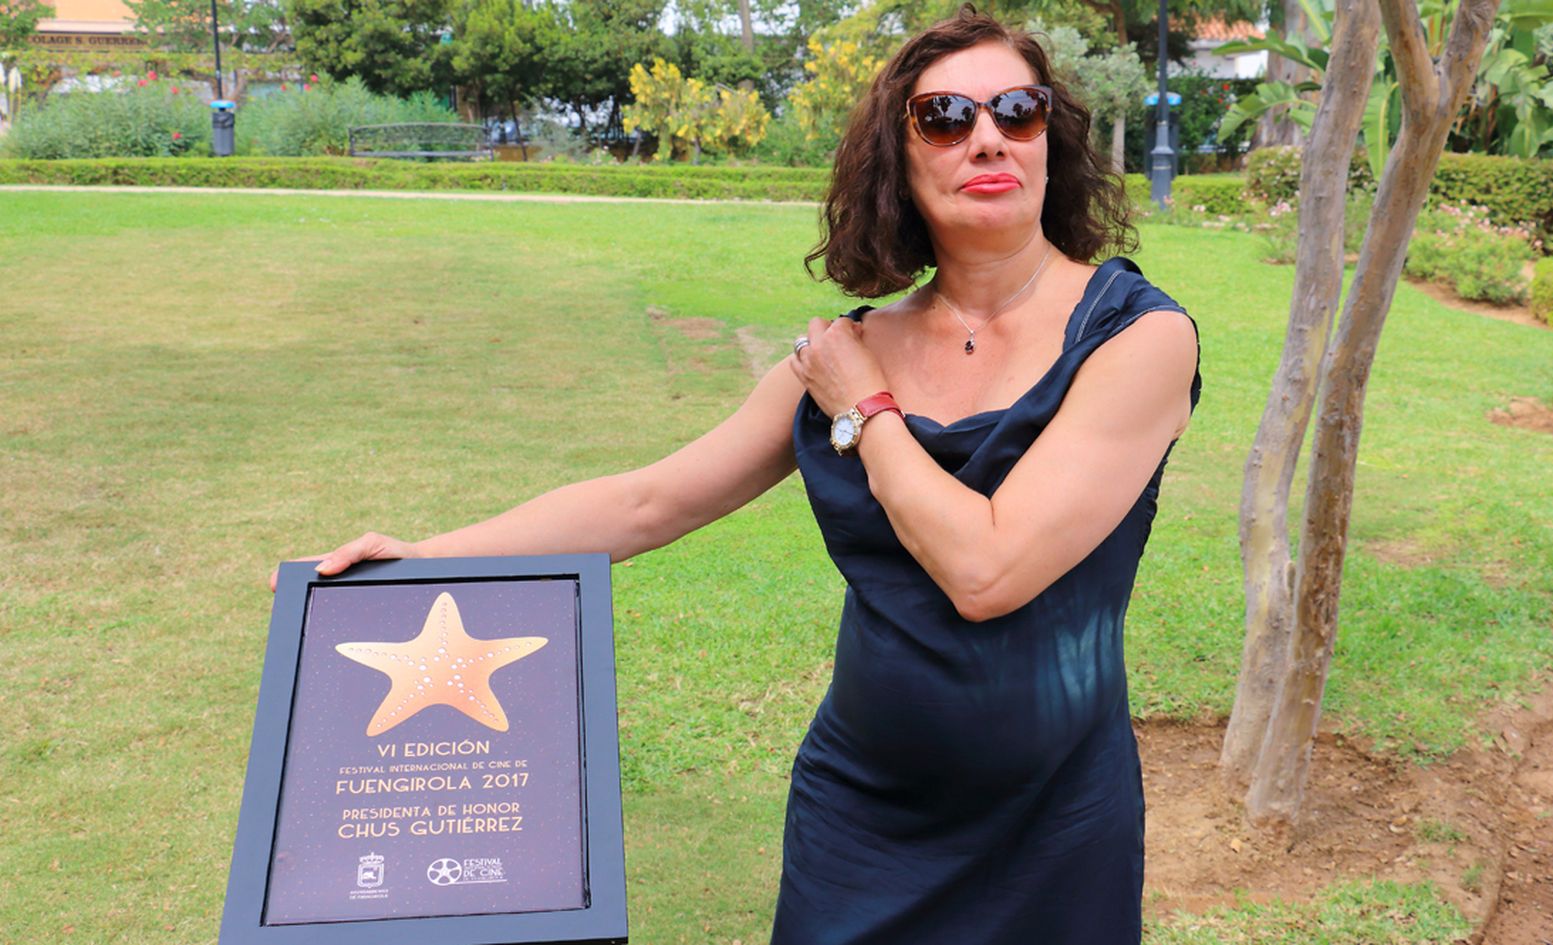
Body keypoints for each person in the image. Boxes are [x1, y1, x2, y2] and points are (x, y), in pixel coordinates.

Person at [276, 7, 1199, 943]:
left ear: (1052, 140)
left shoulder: (1136, 337)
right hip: (863, 823)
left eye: (1017, 109)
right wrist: (429, 555)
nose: (989, 137)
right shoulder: (854, 348)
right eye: (946, 118)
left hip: (1056, 826)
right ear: (900, 161)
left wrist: (866, 410)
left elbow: (987, 572)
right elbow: (648, 501)